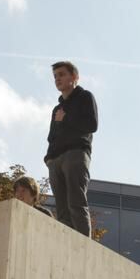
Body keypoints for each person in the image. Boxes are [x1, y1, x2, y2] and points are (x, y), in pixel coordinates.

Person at [44, 61, 98, 237]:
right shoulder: (57, 109)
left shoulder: (85, 97)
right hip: (56, 159)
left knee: (76, 202)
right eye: (55, 76)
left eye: (61, 74)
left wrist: (66, 118)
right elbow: (52, 137)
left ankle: (84, 246)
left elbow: (92, 125)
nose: (57, 79)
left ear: (74, 77)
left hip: (76, 154)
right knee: (62, 209)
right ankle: (65, 246)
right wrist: (49, 159)